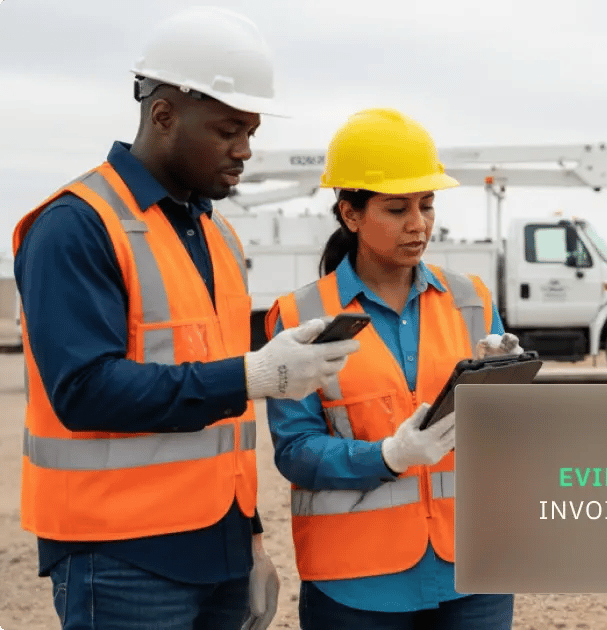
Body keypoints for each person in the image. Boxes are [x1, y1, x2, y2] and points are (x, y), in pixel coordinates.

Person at [12, 7, 359, 630]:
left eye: (251, 131)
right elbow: (83, 391)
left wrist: (250, 539)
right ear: (164, 115)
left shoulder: (217, 233)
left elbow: (222, 422)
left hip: (217, 548)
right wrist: (255, 375)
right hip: (119, 558)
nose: (245, 150)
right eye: (229, 130)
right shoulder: (76, 226)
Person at [263, 107, 521, 629]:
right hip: (357, 583)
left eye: (427, 205)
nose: (418, 224)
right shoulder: (300, 317)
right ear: (350, 214)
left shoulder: (471, 300)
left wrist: (506, 395)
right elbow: (295, 450)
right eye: (397, 208)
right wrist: (387, 456)